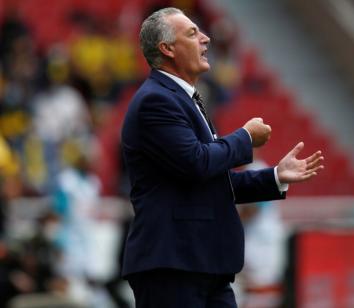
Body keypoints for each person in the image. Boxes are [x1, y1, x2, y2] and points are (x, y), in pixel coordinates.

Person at [120, 7, 324, 308]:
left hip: (204, 264)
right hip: (173, 266)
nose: (205, 39)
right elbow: (197, 162)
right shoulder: (156, 100)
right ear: (167, 49)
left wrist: (275, 176)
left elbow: (211, 179)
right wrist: (245, 138)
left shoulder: (184, 99)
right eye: (192, 33)